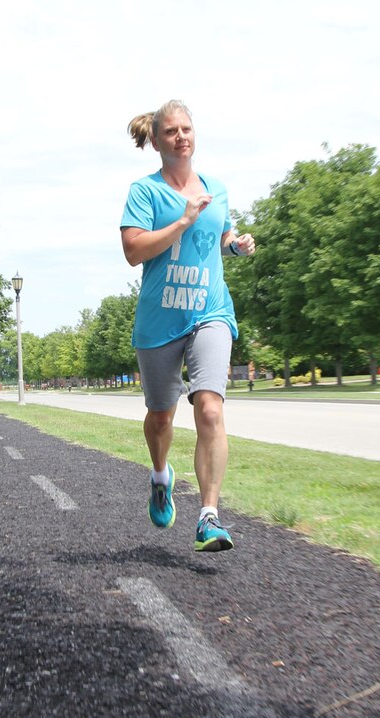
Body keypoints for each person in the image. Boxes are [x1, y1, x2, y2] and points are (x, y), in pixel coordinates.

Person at [120, 100, 255, 552]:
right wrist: (183, 219)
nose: (181, 136)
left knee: (210, 408)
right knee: (161, 417)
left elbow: (219, 239)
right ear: (156, 140)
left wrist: (236, 246)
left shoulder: (215, 188)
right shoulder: (145, 192)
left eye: (187, 129)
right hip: (160, 321)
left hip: (210, 311)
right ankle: (161, 476)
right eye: (172, 131)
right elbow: (134, 251)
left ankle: (209, 516)